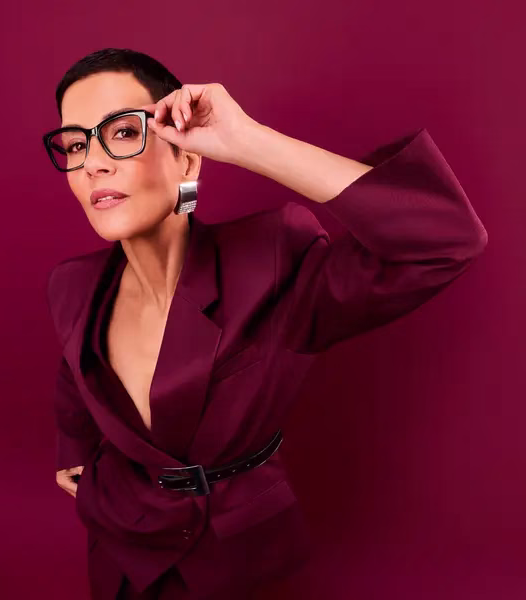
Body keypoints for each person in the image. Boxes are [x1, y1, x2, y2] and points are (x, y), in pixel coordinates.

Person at [43, 48, 488, 600]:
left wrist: (246, 139)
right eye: (77, 144)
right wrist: (73, 449)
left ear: (186, 161)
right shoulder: (73, 283)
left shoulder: (271, 258)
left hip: (238, 562)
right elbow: (75, 374)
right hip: (119, 553)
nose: (93, 163)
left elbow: (445, 239)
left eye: (123, 133)